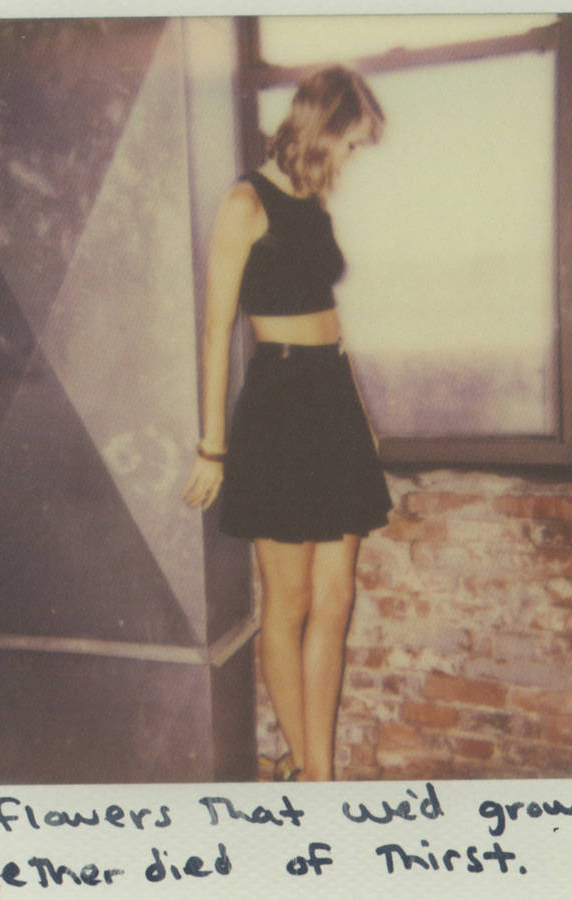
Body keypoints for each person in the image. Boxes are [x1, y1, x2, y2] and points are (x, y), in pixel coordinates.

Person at [183, 66, 392, 781]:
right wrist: (211, 446)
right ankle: (309, 772)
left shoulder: (312, 201)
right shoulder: (245, 202)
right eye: (351, 144)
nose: (352, 159)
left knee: (336, 600)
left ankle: (316, 773)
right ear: (321, 129)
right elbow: (216, 330)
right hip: (279, 405)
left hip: (332, 398)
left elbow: (333, 327)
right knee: (292, 599)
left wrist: (360, 420)